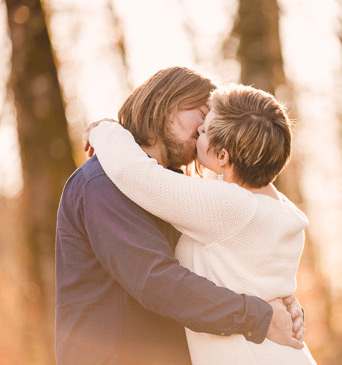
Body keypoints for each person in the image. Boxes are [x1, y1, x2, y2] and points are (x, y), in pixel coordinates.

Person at [55, 66, 303, 364]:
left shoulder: (181, 194)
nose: (204, 129)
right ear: (163, 99)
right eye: (201, 112)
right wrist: (259, 316)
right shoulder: (102, 183)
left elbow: (227, 268)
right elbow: (156, 281)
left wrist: (281, 301)